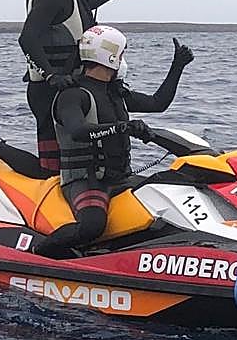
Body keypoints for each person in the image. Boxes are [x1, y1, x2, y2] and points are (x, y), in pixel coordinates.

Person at [43, 25, 193, 255]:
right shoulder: (73, 94)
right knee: (92, 226)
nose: (123, 60)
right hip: (85, 180)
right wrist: (122, 127)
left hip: (120, 177)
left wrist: (178, 66)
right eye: (121, 54)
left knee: (171, 192)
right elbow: (78, 131)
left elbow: (157, 103)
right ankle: (36, 252)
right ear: (109, 56)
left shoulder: (115, 93)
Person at [19, 0, 144, 173]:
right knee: (54, 168)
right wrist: (51, 76)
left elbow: (82, 5)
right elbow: (27, 38)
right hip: (51, 90)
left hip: (66, 85)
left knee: (76, 160)